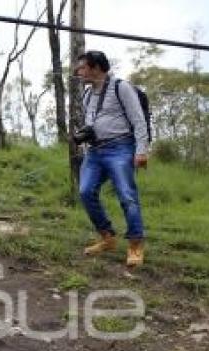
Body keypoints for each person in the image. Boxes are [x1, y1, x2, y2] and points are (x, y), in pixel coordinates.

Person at [74, 50, 150, 268]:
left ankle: (135, 245)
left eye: (83, 67)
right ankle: (107, 238)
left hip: (121, 148)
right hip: (95, 151)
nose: (79, 72)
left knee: (127, 196)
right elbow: (92, 120)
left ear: (96, 68)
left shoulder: (121, 87)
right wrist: (85, 134)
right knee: (85, 191)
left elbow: (138, 120)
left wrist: (141, 150)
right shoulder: (87, 94)